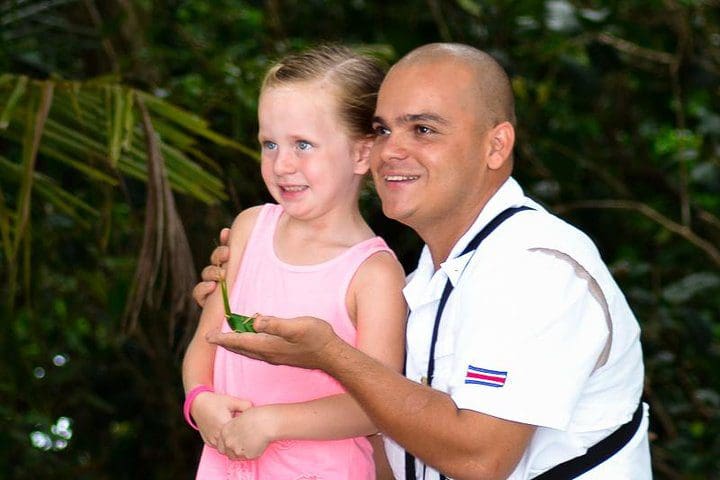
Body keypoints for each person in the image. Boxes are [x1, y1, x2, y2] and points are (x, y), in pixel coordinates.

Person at [196, 43, 652, 479]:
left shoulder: (535, 268)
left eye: (424, 129)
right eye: (382, 130)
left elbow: (480, 458)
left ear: (496, 146)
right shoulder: (431, 276)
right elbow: (394, 440)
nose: (390, 150)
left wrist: (330, 356)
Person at [182, 45, 407, 480]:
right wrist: (200, 399)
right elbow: (205, 343)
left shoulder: (374, 274)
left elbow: (379, 404)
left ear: (362, 154)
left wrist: (272, 422)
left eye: (303, 144)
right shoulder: (249, 229)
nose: (282, 164)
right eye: (270, 144)